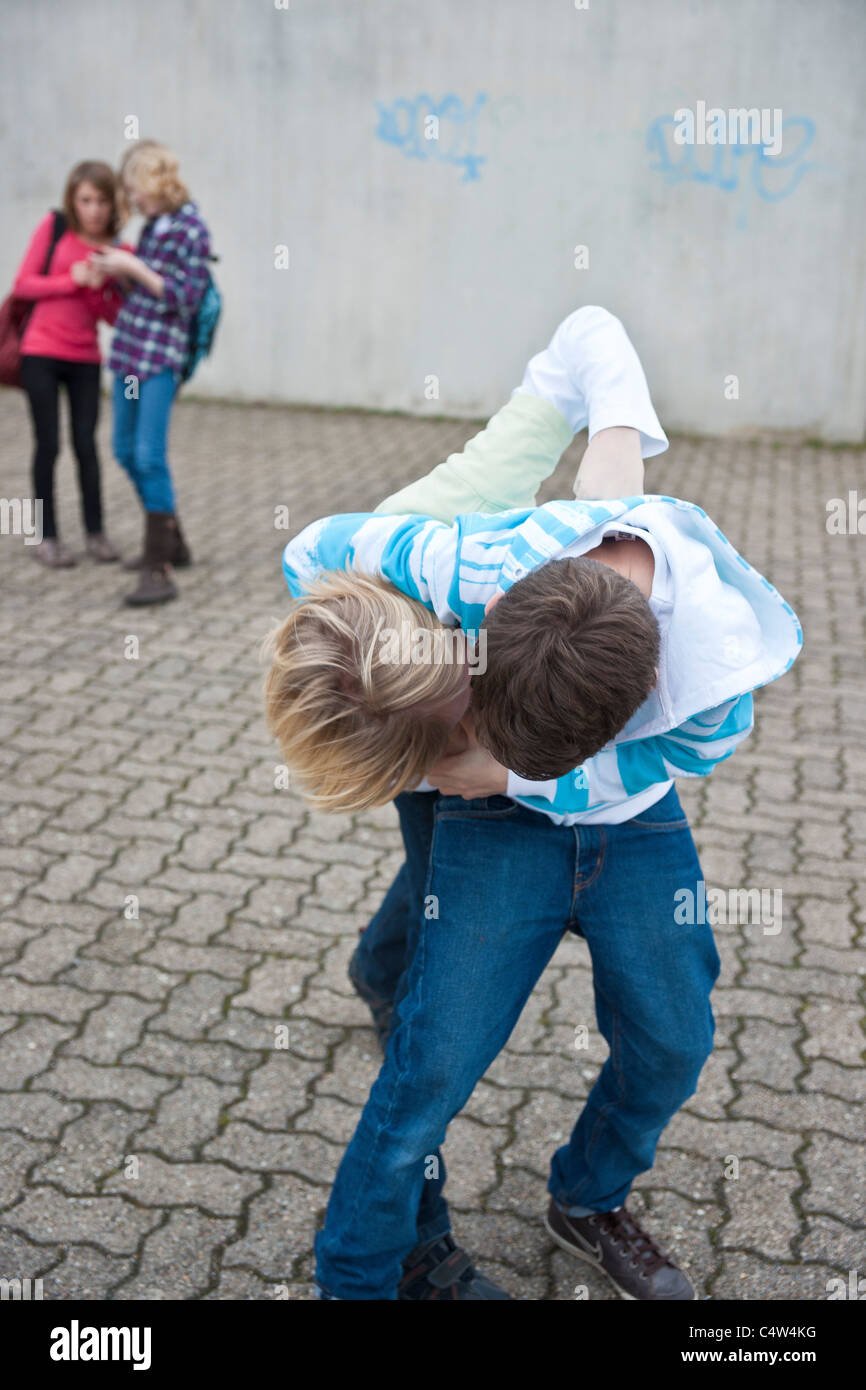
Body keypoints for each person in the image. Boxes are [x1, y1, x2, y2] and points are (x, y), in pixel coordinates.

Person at [265, 306, 802, 1301]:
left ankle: (587, 1198)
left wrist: (510, 776)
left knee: (675, 1037)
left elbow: (647, 768)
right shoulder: (479, 562)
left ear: (636, 700)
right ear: (500, 617)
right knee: (432, 1066)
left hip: (625, 819)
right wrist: (402, 686)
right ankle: (360, 1273)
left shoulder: (715, 693)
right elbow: (311, 556)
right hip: (488, 818)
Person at [92, 140, 210, 605]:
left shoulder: (191, 229)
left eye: (134, 188)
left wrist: (133, 266)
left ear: (153, 182)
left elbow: (185, 298)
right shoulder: (153, 226)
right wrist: (117, 271)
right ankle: (172, 540)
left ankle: (158, 568)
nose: (131, 197)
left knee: (148, 455)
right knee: (124, 449)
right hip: (129, 355)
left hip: (159, 360)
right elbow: (144, 292)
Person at [14, 161, 128, 567]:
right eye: (85, 200)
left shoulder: (120, 251)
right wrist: (72, 279)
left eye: (101, 201)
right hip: (40, 352)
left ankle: (96, 534)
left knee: (86, 445)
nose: (94, 209)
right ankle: (45, 537)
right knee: (48, 444)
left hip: (85, 358)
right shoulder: (55, 228)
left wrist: (100, 289)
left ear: (113, 204)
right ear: (72, 201)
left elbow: (116, 317)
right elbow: (23, 284)